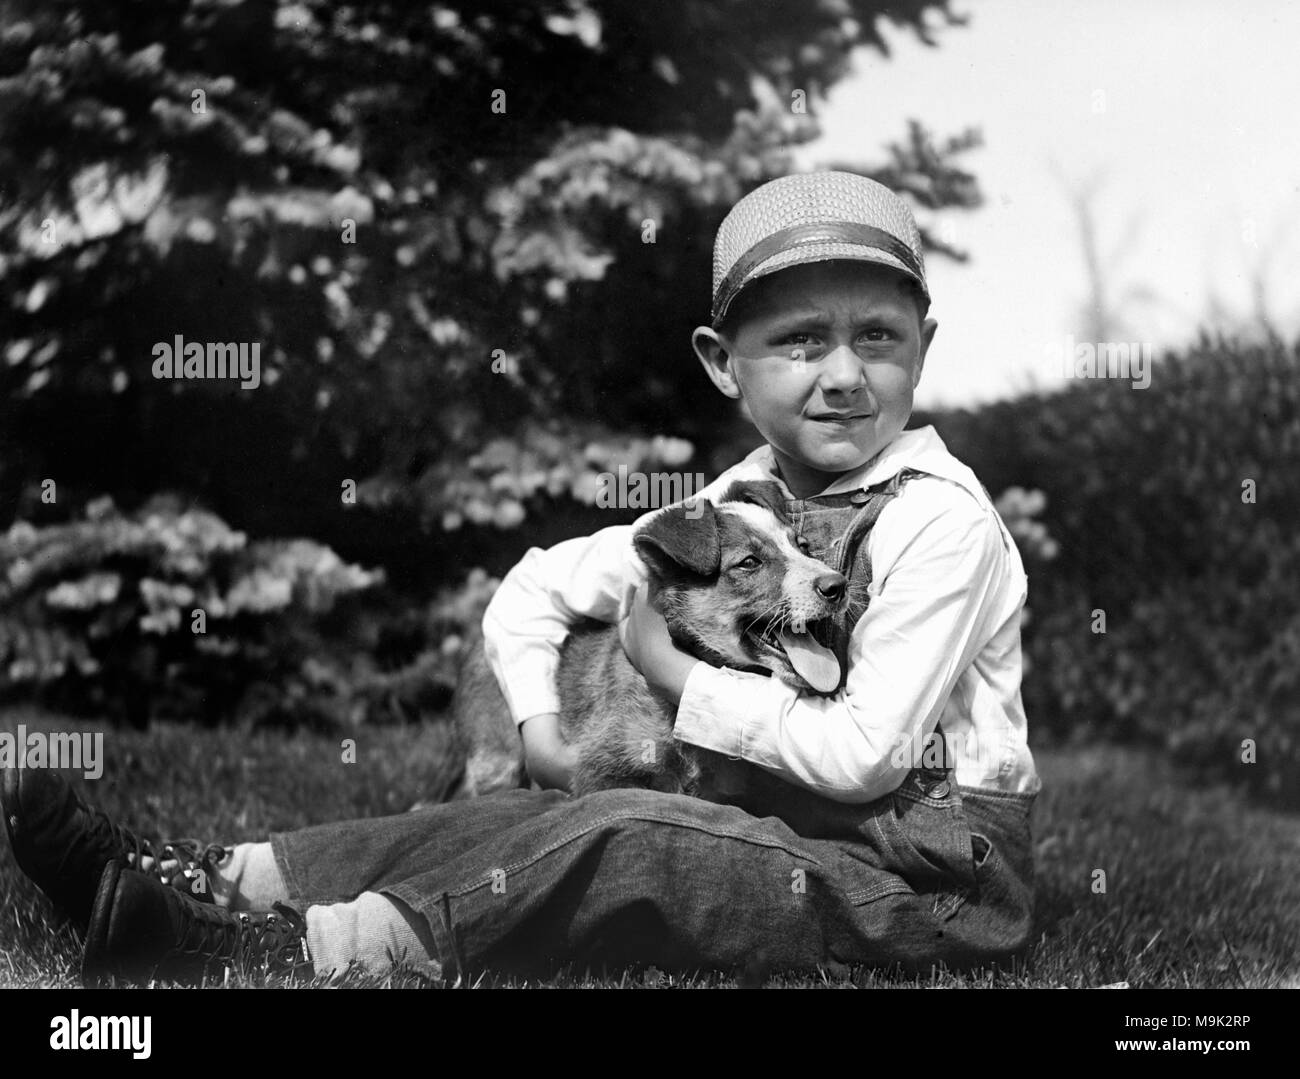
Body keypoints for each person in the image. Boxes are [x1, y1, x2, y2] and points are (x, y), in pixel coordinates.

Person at [2, 171, 1040, 986]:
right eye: (801, 339)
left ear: (923, 348)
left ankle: (283, 949)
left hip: (924, 881)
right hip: (796, 828)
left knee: (625, 828)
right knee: (512, 812)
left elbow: (864, 756)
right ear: (725, 363)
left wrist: (674, 679)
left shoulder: (941, 523)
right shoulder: (735, 501)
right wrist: (540, 730)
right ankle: (199, 874)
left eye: (877, 336)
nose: (845, 371)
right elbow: (538, 586)